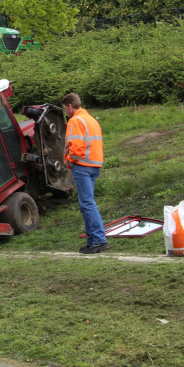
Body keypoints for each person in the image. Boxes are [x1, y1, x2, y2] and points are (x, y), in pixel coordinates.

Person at [62, 93, 109, 254]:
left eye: (65, 108)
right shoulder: (91, 119)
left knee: (87, 203)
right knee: (86, 203)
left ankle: (99, 240)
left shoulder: (75, 121)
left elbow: (75, 147)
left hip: (82, 164)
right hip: (94, 164)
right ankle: (92, 241)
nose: (65, 112)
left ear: (70, 106)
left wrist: (69, 160)